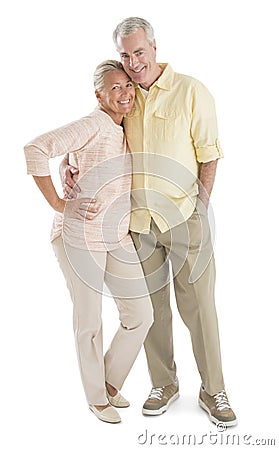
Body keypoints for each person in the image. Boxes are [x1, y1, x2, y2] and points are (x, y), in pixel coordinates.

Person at [61, 18, 237, 427]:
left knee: (200, 309)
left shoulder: (191, 91)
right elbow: (92, 130)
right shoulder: (125, 98)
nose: (133, 62)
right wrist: (68, 163)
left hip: (184, 216)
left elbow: (209, 153)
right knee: (152, 311)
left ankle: (214, 389)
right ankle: (164, 382)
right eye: (125, 55)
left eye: (139, 52)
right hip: (137, 224)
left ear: (155, 48)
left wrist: (200, 205)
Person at [24, 60, 154, 424]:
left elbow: (86, 156)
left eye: (128, 85)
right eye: (115, 88)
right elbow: (35, 149)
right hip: (78, 236)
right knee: (90, 321)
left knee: (141, 315)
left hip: (116, 235)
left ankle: (109, 383)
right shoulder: (94, 122)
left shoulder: (124, 124)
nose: (125, 93)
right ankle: (96, 398)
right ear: (98, 95)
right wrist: (59, 203)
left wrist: (68, 163)